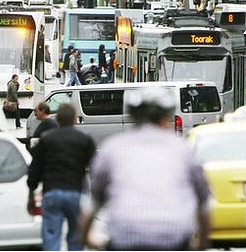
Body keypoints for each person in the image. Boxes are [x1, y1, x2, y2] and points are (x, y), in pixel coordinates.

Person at [78, 86, 211, 251]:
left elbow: (93, 202)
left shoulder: (113, 148)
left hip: (124, 240)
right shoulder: (183, 150)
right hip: (174, 241)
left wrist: (86, 237)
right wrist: (202, 242)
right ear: (166, 116)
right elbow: (204, 203)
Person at [27, 103, 96, 251]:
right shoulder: (84, 139)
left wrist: (31, 194)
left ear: (57, 120)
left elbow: (35, 169)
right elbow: (97, 168)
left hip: (51, 193)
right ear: (75, 120)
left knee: (51, 236)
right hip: (75, 193)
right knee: (76, 237)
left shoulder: (46, 139)